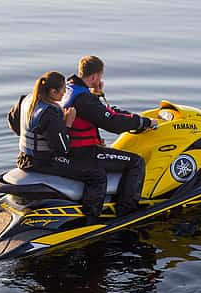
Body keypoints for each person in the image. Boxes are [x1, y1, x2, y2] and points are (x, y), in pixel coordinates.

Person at [7, 71, 108, 224]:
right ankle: (91, 220)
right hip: (45, 161)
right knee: (97, 175)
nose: (64, 94)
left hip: (24, 158)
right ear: (53, 91)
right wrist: (67, 123)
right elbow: (62, 149)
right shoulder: (50, 113)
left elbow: (13, 123)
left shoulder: (27, 100)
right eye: (63, 90)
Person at [62, 56, 156, 217]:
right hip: (83, 152)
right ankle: (127, 211)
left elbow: (100, 112)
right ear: (95, 77)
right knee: (136, 162)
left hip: (71, 149)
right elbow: (111, 122)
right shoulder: (84, 99)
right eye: (100, 76)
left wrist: (96, 94)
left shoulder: (70, 89)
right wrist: (143, 123)